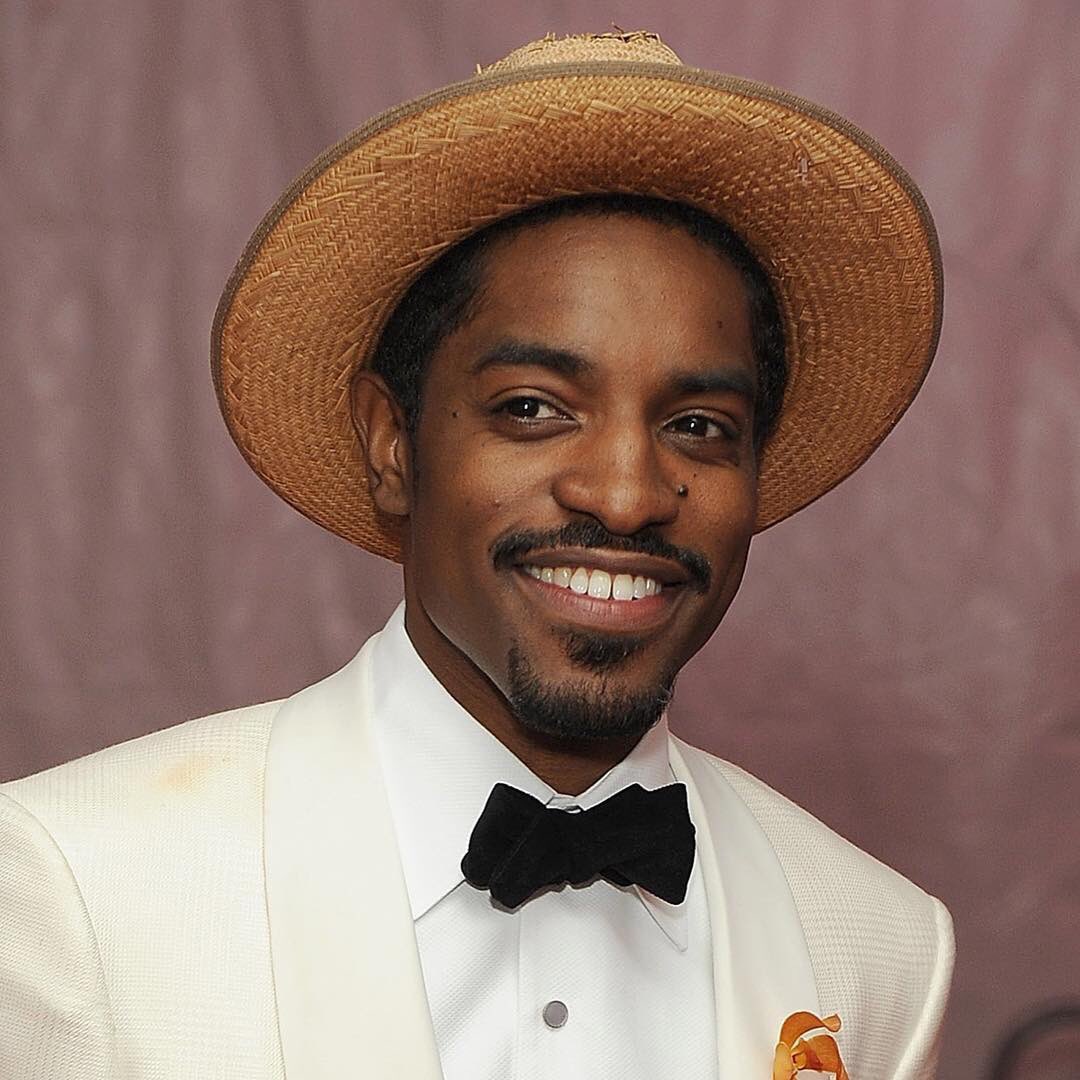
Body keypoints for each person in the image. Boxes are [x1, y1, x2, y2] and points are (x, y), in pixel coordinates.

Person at [0, 30, 954, 1080]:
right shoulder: (72, 891)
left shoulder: (882, 952)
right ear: (392, 445)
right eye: (533, 408)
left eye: (698, 426)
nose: (626, 495)